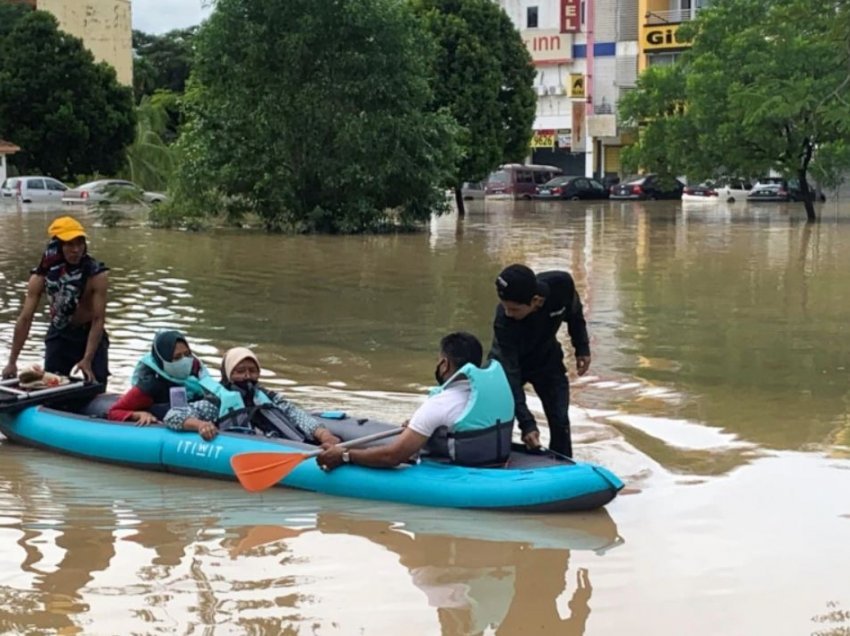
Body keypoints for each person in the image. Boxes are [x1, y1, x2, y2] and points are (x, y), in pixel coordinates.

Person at [317, 332, 514, 472]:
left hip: (456, 471)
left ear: (444, 364)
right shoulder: (496, 392)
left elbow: (392, 457)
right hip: (495, 461)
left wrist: (345, 455)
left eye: (439, 360)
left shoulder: (440, 403)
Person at [488, 264, 591, 457]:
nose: (508, 313)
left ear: (535, 301)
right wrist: (527, 424)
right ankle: (497, 460)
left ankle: (564, 465)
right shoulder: (504, 321)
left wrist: (582, 347)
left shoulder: (561, 286)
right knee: (499, 416)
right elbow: (510, 373)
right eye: (504, 306)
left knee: (560, 420)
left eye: (514, 309)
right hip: (508, 364)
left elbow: (575, 314)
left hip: (546, 360)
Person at [2, 216, 109, 386]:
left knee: (96, 385)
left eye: (80, 243)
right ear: (58, 247)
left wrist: (87, 358)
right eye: (69, 245)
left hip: (89, 334)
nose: (76, 250)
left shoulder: (96, 274)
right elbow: (25, 319)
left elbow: (98, 320)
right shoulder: (41, 277)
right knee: (53, 383)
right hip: (60, 333)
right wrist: (12, 361)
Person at [163, 346, 342, 444]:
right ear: (228, 374)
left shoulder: (267, 396)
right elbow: (173, 415)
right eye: (240, 371)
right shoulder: (215, 404)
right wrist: (201, 425)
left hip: (288, 444)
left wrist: (323, 434)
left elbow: (296, 414)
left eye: (252, 371)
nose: (247, 376)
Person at [107, 330, 210, 424]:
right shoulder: (150, 385)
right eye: (177, 357)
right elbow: (114, 412)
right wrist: (138, 415)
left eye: (187, 354)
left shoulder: (197, 375)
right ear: (163, 360)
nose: (184, 361)